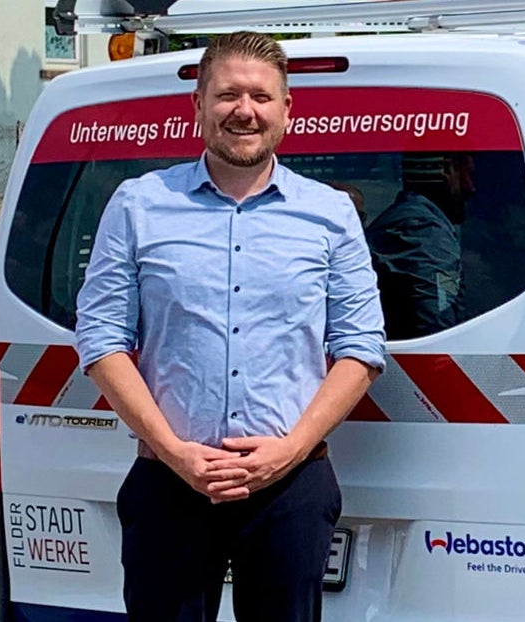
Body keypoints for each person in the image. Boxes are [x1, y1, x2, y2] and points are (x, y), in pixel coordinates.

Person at [72, 31, 387, 622]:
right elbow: (101, 340)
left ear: (287, 110)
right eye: (228, 95)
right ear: (198, 107)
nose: (245, 110)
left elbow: (361, 347)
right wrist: (175, 452)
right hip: (169, 481)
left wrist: (289, 451)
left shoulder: (330, 213)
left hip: (290, 485)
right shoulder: (138, 205)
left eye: (262, 97)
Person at [368, 152, 475, 339]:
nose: (471, 187)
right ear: (447, 170)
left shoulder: (408, 220)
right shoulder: (425, 231)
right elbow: (441, 326)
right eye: (467, 175)